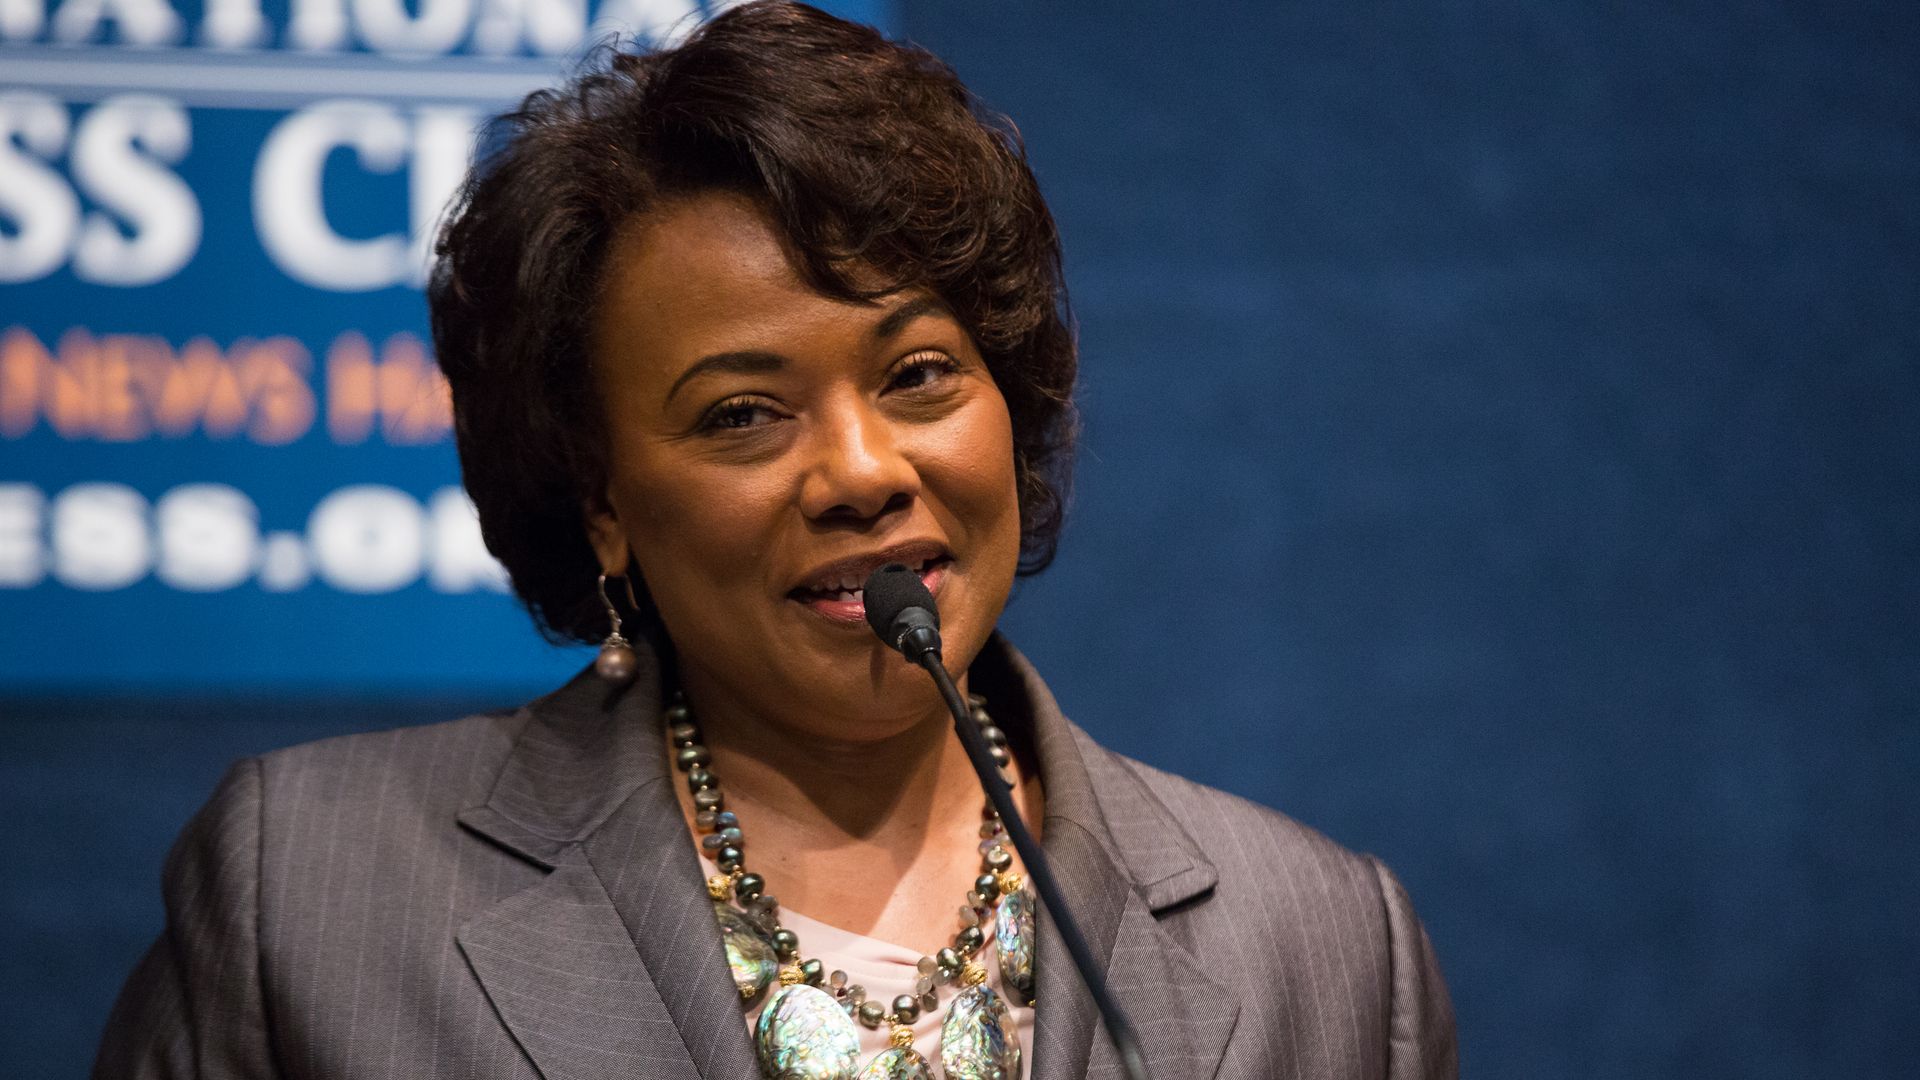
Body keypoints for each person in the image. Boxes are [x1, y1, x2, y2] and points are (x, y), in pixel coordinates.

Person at [94, 4, 1457, 1078]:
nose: (863, 472)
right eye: (742, 413)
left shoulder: (1322, 943)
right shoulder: (317, 894)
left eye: (920, 373)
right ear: (603, 499)